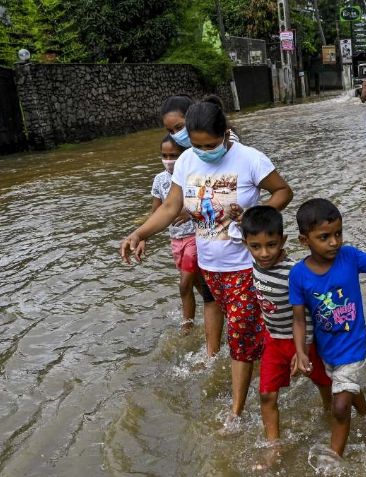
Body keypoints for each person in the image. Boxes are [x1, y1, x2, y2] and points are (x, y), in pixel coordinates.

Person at [120, 95, 293, 429]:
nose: (203, 152)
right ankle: (275, 366)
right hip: (211, 268)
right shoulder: (187, 162)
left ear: (226, 134)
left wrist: (257, 216)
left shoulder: (250, 159)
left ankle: (237, 410)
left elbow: (283, 192)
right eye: (197, 146)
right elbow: (170, 209)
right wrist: (139, 234)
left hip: (245, 266)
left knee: (240, 341)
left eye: (210, 145)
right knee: (246, 334)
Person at [289, 198, 366, 458]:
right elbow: (299, 319)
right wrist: (301, 351)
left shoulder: (348, 257)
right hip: (328, 350)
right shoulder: (298, 275)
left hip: (353, 348)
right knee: (344, 386)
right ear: (305, 241)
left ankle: (333, 458)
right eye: (324, 237)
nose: (334, 242)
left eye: (338, 234)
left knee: (339, 407)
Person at [240, 206, 332, 459]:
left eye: (271, 245)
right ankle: (274, 446)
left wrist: (302, 349)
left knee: (324, 382)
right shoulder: (254, 262)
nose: (264, 253)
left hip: (304, 341)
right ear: (245, 243)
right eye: (255, 246)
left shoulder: (294, 272)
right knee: (267, 395)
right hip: (274, 341)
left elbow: (309, 313)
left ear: (283, 241)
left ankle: (331, 412)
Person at [136, 135, 216, 333]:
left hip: (194, 237)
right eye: (164, 155)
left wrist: (189, 212)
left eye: (173, 155)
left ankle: (186, 327)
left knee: (184, 284)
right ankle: (215, 308)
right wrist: (142, 236)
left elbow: (210, 203)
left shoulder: (193, 176)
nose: (168, 160)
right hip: (176, 239)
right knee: (198, 283)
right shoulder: (159, 180)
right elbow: (156, 212)